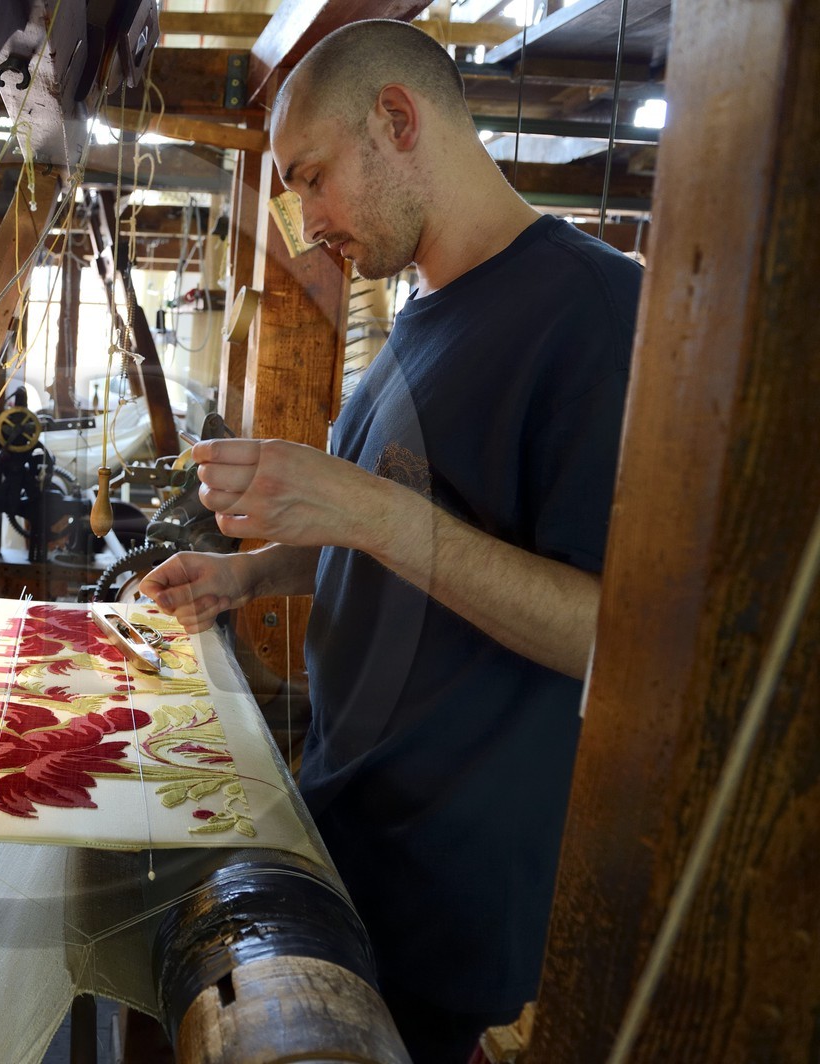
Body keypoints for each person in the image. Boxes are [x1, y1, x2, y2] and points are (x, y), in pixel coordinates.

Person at [142, 19, 642, 1064]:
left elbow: (608, 631)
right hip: (348, 825)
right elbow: (373, 547)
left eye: (312, 177)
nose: (305, 219)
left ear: (397, 119)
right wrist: (249, 569)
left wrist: (362, 506)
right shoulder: (415, 317)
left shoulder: (594, 313)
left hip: (450, 881)